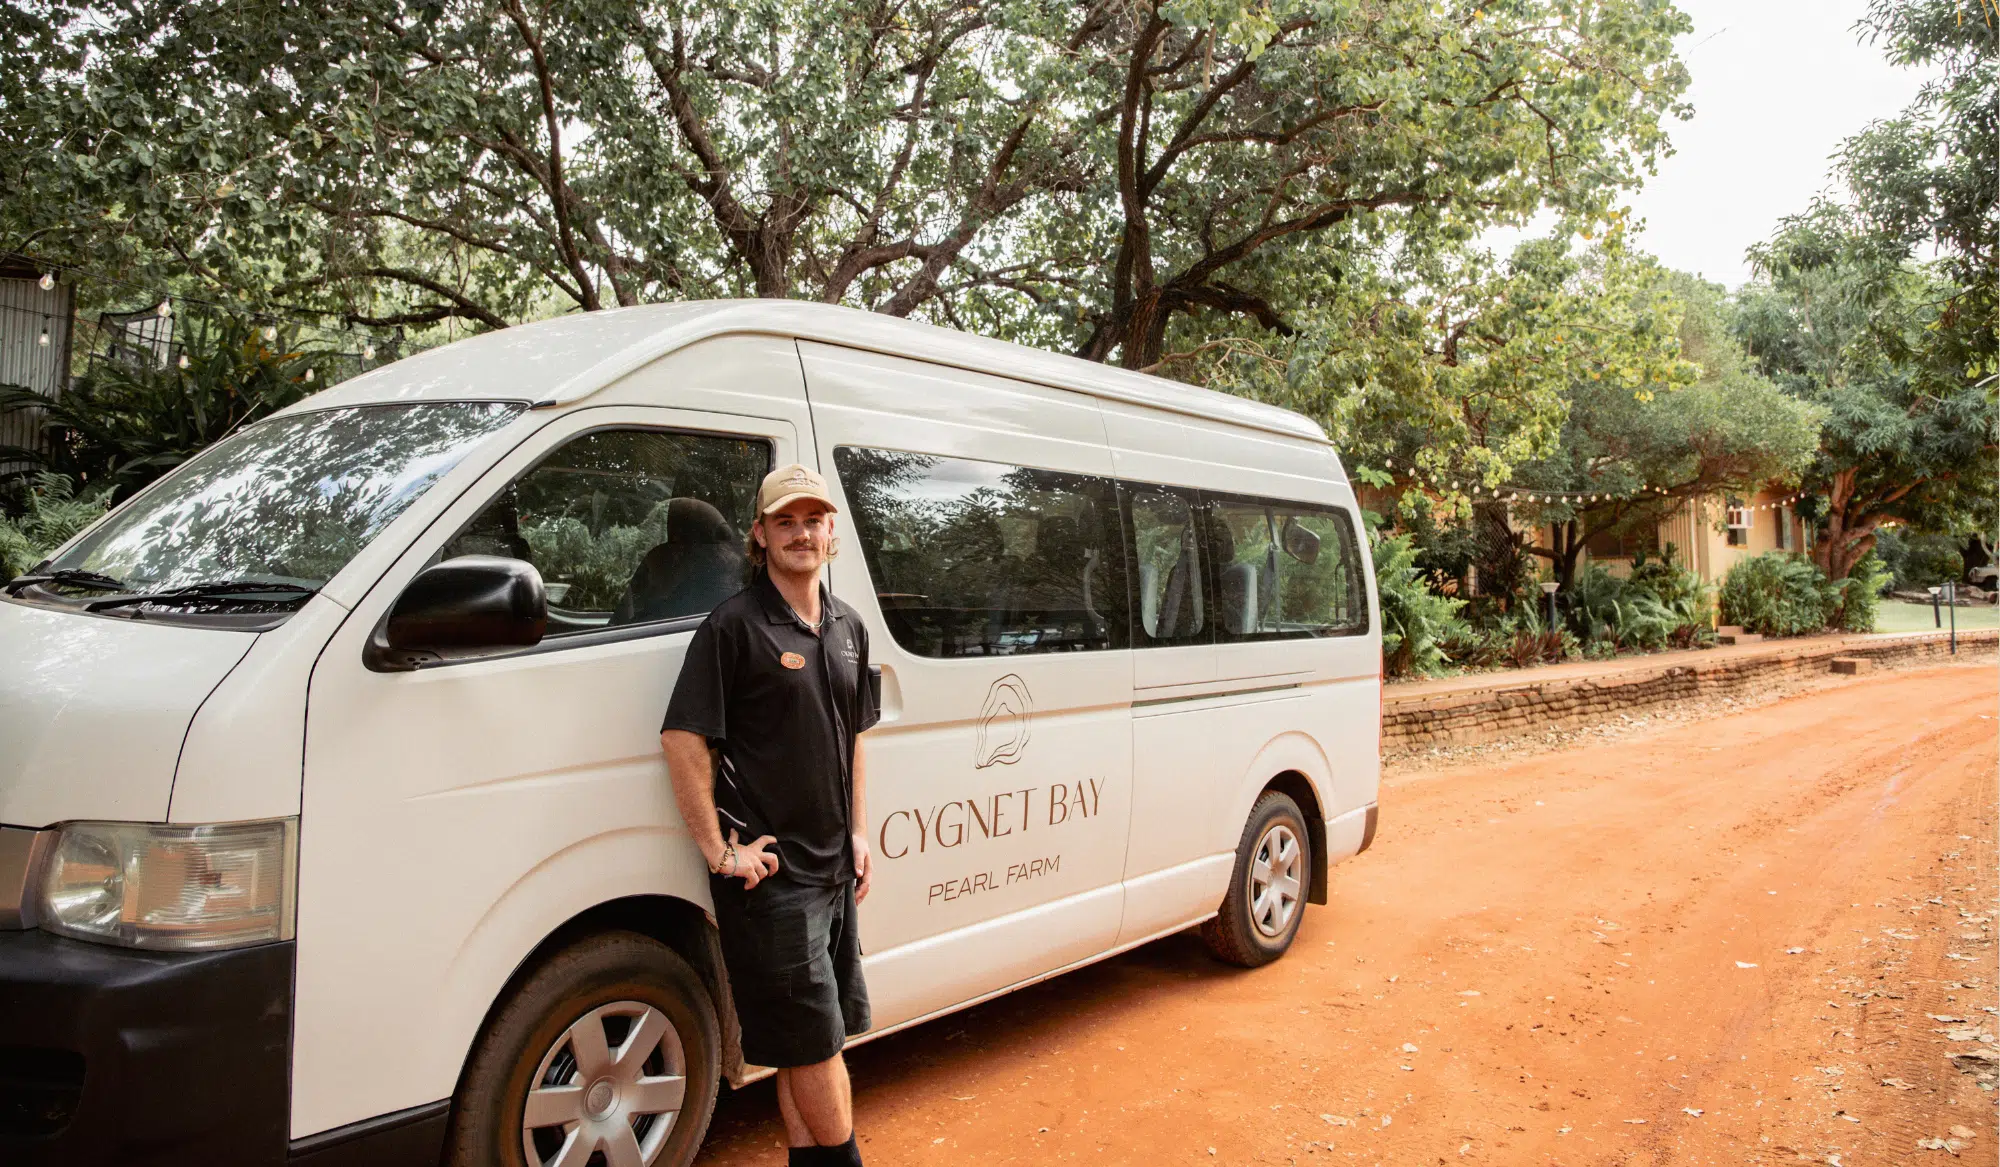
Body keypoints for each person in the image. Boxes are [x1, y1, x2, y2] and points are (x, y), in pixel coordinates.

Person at [659, 464, 877, 1167]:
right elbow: (682, 737)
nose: (801, 533)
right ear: (759, 534)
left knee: (802, 1041)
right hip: (773, 883)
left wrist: (859, 830)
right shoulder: (733, 627)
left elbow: (856, 735)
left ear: (830, 532)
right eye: (785, 521)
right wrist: (722, 853)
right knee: (816, 1045)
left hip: (833, 869)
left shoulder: (847, 626)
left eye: (812, 520)